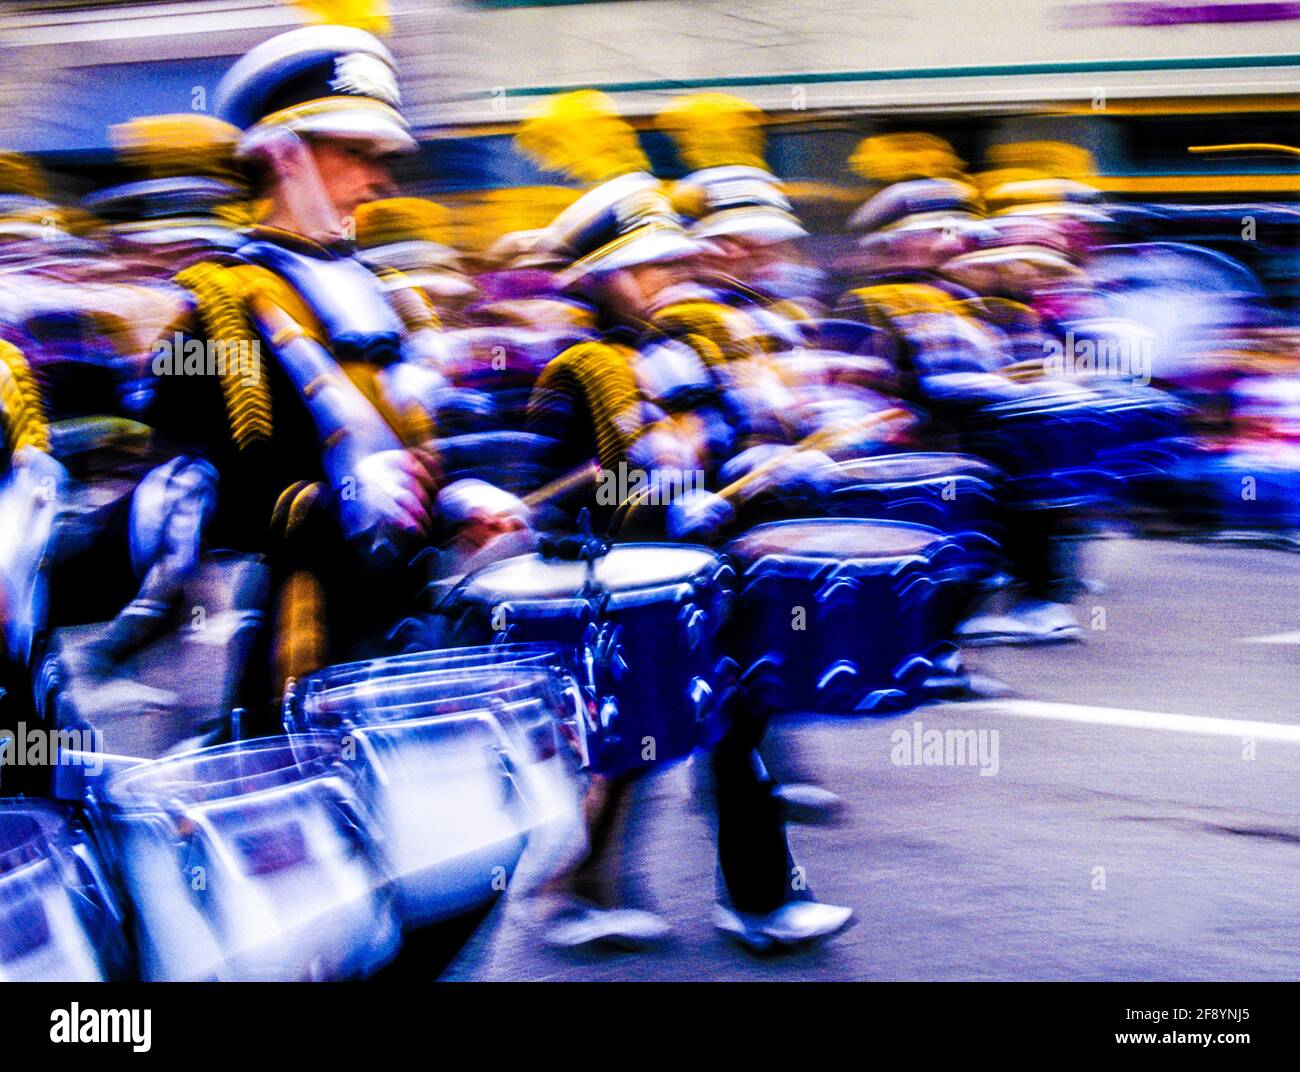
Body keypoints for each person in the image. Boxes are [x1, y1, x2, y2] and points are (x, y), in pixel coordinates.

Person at [513, 90, 855, 951]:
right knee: (635, 749)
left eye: (671, 260)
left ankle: (756, 898)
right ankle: (580, 890)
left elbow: (732, 443)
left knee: (728, 727)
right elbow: (548, 499)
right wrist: (657, 501)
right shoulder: (575, 375)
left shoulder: (679, 352)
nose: (672, 274)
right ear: (603, 277)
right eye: (650, 264)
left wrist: (767, 471)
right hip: (627, 590)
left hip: (703, 572)